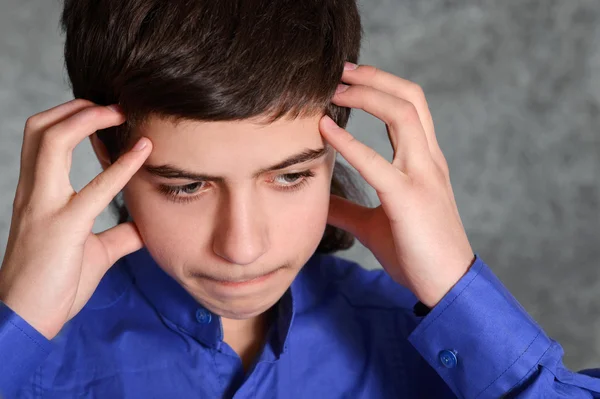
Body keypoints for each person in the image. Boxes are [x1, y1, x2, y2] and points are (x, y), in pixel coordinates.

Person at [0, 0, 599, 398]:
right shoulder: (30, 355)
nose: (243, 247)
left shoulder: (426, 346)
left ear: (334, 152)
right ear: (105, 158)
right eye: (186, 186)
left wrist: (456, 285)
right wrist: (18, 324)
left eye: (290, 177)